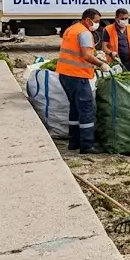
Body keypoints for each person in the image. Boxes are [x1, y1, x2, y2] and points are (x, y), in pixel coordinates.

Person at [56, 9, 110, 154]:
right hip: (77, 76)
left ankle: (74, 142)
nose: (98, 24)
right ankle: (87, 145)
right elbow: (86, 55)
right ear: (87, 20)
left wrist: (95, 55)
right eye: (96, 21)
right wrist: (100, 64)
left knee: (74, 109)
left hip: (65, 74)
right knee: (86, 109)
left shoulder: (71, 29)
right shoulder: (85, 32)